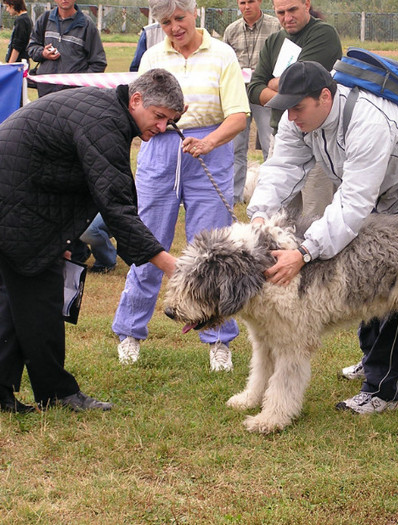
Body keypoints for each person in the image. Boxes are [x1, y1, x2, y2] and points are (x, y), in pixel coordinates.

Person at [0, 69, 185, 413]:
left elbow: (79, 183)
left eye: (169, 121)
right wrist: (167, 263)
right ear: (136, 100)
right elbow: (116, 202)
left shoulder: (103, 111)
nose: (162, 127)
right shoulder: (105, 121)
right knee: (41, 298)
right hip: (2, 202)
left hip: (2, 197)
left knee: (20, 293)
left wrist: (63, 237)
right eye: (159, 116)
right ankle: (57, 392)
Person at [248, 61, 398, 415]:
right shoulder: (296, 117)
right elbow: (281, 167)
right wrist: (259, 218)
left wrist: (303, 251)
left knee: (394, 284)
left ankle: (383, 389)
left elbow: (353, 203)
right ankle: (371, 357)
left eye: (298, 108)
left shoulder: (368, 120)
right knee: (361, 269)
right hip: (374, 188)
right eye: (288, 108)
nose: (292, 116)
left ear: (325, 97)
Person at [112, 0, 249, 371]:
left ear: (194, 15)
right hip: (159, 147)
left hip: (210, 150)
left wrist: (208, 142)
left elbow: (239, 114)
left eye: (179, 19)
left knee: (212, 252)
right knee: (147, 241)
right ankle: (129, 332)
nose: (174, 27)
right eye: (166, 21)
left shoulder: (222, 54)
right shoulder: (153, 55)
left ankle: (219, 339)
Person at [247, 0, 341, 217]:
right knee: (279, 214)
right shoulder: (274, 41)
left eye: (292, 10)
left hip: (318, 138)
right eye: (280, 12)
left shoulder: (323, 34)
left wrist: (275, 84)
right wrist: (289, 94)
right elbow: (254, 89)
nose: (286, 18)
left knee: (315, 214)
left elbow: (302, 82)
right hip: (281, 136)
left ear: (306, 4)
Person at [223, 0, 280, 203]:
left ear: (260, 2)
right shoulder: (231, 30)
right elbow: (225, 62)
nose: (247, 6)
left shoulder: (275, 26)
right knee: (237, 146)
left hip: (264, 92)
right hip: (237, 94)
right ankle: (235, 196)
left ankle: (269, 194)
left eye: (251, 1)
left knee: (269, 144)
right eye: (242, 2)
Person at [26, 0, 107, 97]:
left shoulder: (87, 25)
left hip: (74, 98)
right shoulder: (45, 19)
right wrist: (42, 53)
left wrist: (80, 85)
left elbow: (99, 63)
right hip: (45, 94)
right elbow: (31, 47)